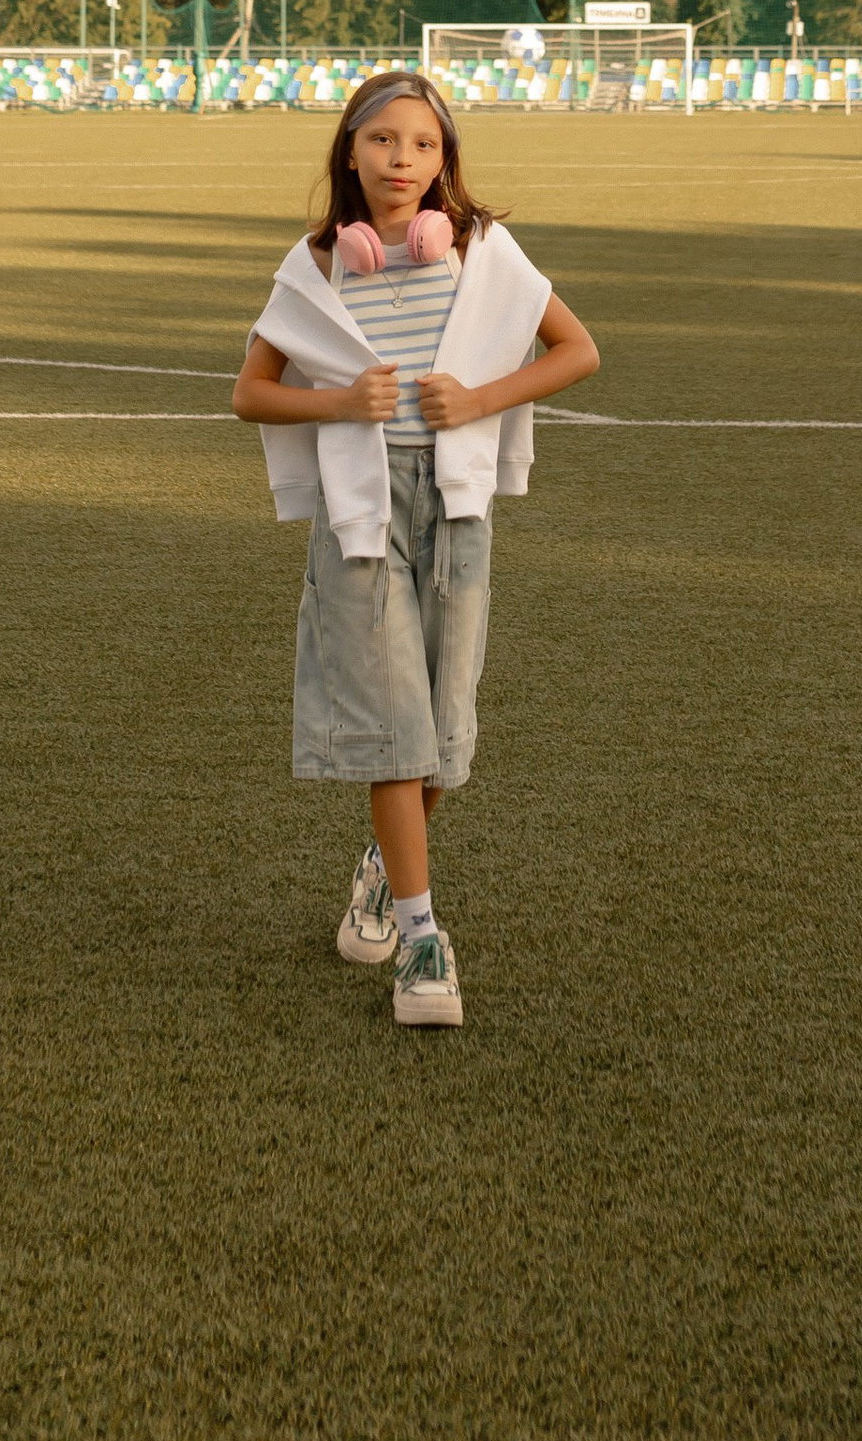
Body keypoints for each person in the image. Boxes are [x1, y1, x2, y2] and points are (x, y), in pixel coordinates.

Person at [233, 67, 599, 1029]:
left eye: (425, 146)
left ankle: (382, 871)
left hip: (456, 508)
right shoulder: (316, 263)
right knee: (396, 721)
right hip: (363, 517)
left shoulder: (479, 249)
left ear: (447, 164)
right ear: (349, 152)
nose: (404, 162)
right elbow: (251, 392)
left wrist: (478, 398)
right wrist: (339, 403)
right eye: (385, 141)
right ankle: (422, 932)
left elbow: (577, 350)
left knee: (440, 727)